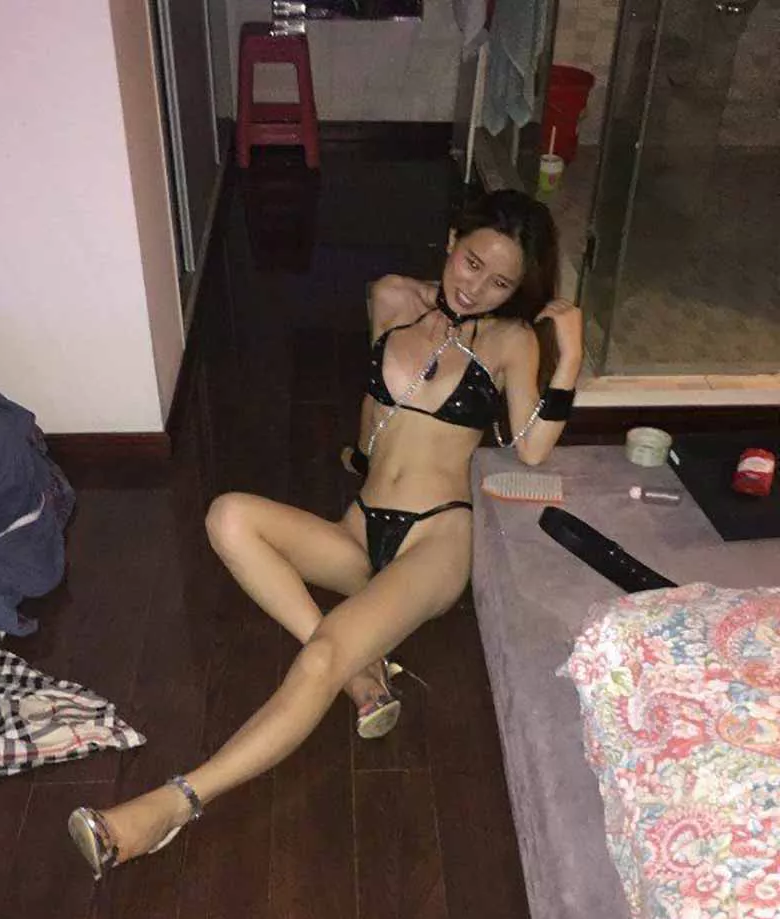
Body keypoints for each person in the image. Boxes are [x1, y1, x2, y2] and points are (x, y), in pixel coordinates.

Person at [67, 189, 583, 879]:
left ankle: (173, 804)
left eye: (500, 282)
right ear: (451, 238)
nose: (477, 286)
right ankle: (361, 674)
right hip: (361, 526)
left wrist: (568, 357)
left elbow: (533, 449)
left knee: (320, 658)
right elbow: (376, 403)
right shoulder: (391, 297)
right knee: (227, 515)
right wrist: (362, 459)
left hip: (436, 540)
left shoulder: (509, 341)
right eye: (471, 261)